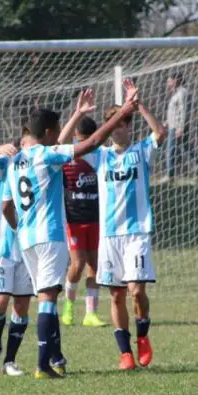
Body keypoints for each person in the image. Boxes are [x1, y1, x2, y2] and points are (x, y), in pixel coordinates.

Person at [1, 80, 140, 379]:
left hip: (25, 238)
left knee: (45, 298)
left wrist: (77, 114)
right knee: (49, 299)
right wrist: (123, 112)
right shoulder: (45, 156)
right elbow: (89, 144)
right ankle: (42, 365)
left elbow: (7, 207)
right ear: (49, 133)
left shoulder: (16, 162)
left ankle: (55, 357)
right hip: (49, 236)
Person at [61, 92, 167, 370]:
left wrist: (140, 105)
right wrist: (79, 113)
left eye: (121, 122)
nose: (116, 128)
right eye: (112, 123)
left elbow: (160, 132)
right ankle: (125, 354)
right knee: (117, 294)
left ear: (128, 125)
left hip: (137, 233)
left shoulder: (142, 150)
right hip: (109, 235)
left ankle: (142, 337)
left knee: (135, 291)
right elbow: (64, 144)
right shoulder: (100, 156)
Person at [0, 139, 36, 377]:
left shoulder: (42, 165)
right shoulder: (7, 163)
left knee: (21, 305)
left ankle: (10, 361)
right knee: (0, 302)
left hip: (29, 244)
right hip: (3, 245)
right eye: (25, 142)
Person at [57, 89, 106, 328]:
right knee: (77, 264)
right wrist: (77, 114)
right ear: (76, 137)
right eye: (80, 139)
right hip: (73, 219)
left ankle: (91, 313)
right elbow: (58, 143)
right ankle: (68, 307)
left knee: (95, 265)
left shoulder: (99, 156)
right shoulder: (67, 156)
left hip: (95, 218)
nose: (83, 143)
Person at [163, 71, 190, 183]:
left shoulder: (182, 93)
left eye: (170, 80)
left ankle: (170, 176)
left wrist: (181, 128)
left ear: (176, 80)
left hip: (177, 128)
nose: (168, 83)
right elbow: (175, 111)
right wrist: (167, 122)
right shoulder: (176, 93)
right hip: (172, 126)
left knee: (170, 151)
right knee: (188, 149)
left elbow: (184, 111)